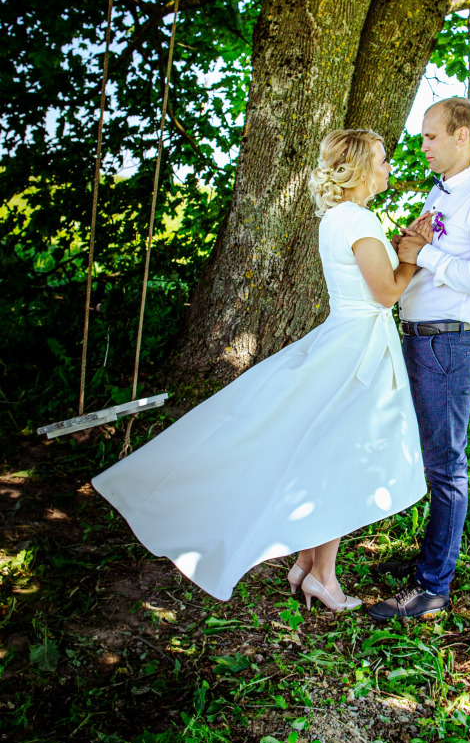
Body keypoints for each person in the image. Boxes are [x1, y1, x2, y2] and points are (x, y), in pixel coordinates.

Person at [92, 129, 428, 612]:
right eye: (381, 159)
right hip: (357, 351)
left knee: (325, 451)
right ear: (358, 168)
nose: (388, 167)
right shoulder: (358, 219)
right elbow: (387, 293)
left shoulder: (339, 218)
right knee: (342, 459)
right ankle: (324, 578)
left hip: (347, 340)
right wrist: (412, 253)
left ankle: (309, 567)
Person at [368, 97, 470, 621]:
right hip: (416, 334)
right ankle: (432, 555)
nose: (422, 144)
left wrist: (423, 254)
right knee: (425, 454)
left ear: (461, 136)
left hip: (448, 343)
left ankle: (433, 587)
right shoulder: (442, 189)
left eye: (431, 136)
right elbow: (420, 248)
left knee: (446, 464)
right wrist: (407, 248)